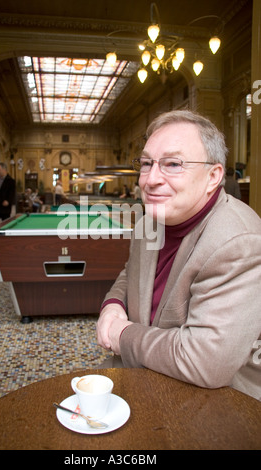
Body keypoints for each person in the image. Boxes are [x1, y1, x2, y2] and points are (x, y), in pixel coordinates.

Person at [97, 110, 261, 401]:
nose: (150, 179)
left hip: (219, 401)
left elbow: (205, 363)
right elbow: (130, 272)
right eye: (146, 164)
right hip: (146, 373)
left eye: (173, 164)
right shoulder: (150, 221)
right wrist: (112, 305)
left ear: (213, 176)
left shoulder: (238, 242)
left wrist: (122, 335)